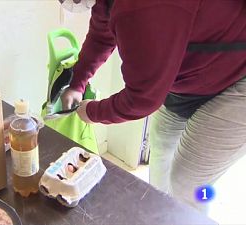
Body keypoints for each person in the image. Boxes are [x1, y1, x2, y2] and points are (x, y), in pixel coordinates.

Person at [61, 0, 246, 211]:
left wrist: (91, 112)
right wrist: (77, 83)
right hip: (195, 76)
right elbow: (101, 34)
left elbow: (141, 100)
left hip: (238, 79)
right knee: (161, 157)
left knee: (189, 182)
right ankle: (164, 216)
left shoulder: (143, 8)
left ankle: (199, 214)